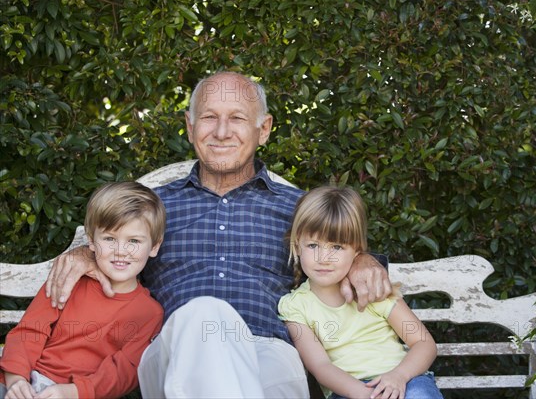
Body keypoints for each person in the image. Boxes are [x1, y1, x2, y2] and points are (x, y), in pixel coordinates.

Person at [45, 71, 392, 398]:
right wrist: (84, 254)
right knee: (206, 314)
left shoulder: (299, 210)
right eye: (210, 117)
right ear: (190, 125)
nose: (222, 131)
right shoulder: (153, 209)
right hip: (174, 354)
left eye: (238, 118)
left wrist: (363, 260)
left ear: (265, 129)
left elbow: (339, 249)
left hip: (269, 354)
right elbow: (113, 247)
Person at [0, 181, 165, 399]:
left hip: (76, 394)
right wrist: (17, 381)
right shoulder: (69, 280)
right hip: (23, 379)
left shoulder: (149, 313)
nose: (120, 251)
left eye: (133, 241)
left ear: (154, 246)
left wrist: (72, 392)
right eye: (109, 239)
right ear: (91, 241)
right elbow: (29, 331)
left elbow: (122, 372)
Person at [278, 186, 443, 399]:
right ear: (297, 244)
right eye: (312, 245)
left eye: (336, 247)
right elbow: (321, 366)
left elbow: (423, 343)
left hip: (404, 380)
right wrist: (368, 396)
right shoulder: (296, 306)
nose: (323, 258)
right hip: (349, 391)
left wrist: (399, 376)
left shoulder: (373, 290)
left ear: (357, 250)